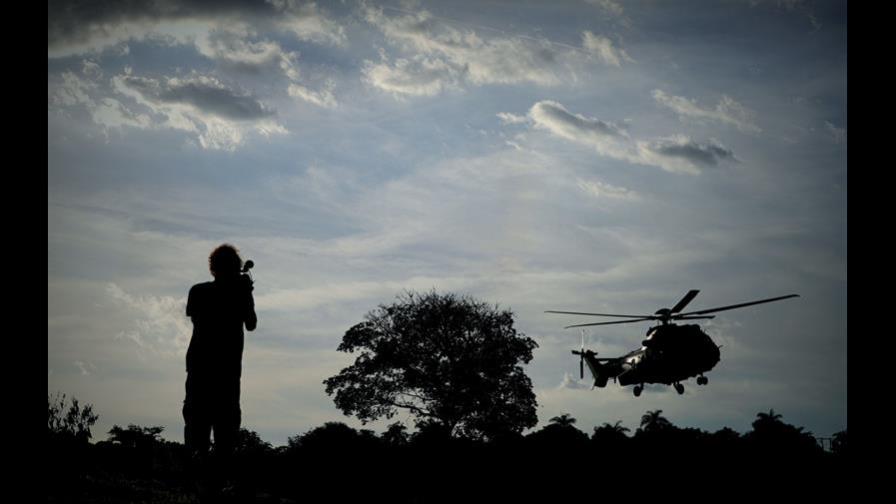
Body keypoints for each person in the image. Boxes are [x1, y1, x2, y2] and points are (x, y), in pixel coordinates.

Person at [183, 244, 257, 493]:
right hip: (226, 370)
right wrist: (245, 294)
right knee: (225, 428)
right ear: (236, 267)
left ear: (213, 267)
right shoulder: (239, 292)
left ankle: (199, 480)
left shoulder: (198, 291)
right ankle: (215, 484)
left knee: (197, 423)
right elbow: (251, 324)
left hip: (199, 365)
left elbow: (197, 320)